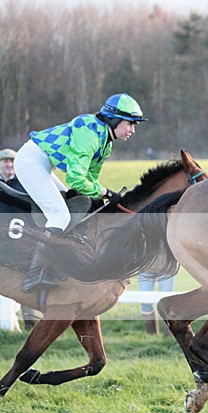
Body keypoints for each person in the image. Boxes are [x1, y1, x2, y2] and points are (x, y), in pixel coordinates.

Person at [14, 93, 148, 293]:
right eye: (130, 123)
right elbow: (76, 179)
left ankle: (55, 262)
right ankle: (33, 274)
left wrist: (102, 197)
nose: (132, 130)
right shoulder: (90, 132)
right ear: (114, 119)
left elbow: (89, 179)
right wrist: (105, 192)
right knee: (60, 214)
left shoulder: (105, 142)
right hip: (30, 161)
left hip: (43, 164)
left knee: (74, 208)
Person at [0, 148, 42, 328]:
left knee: (25, 281)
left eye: (11, 161)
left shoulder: (25, 185)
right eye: (5, 161)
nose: (8, 164)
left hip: (22, 240)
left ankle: (33, 324)